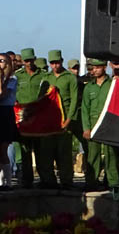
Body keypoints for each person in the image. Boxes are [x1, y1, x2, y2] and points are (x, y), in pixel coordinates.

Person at [15, 47, 54, 188]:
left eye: (31, 60)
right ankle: (26, 180)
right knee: (25, 151)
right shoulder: (18, 76)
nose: (29, 63)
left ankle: (44, 179)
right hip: (23, 118)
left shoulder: (43, 75)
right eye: (26, 60)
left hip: (38, 118)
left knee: (40, 151)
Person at [81, 58, 119, 191]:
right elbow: (85, 109)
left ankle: (113, 182)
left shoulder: (112, 84)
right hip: (93, 125)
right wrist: (86, 128)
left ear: (104, 67)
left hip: (108, 124)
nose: (95, 70)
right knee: (93, 155)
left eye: (98, 67)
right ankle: (91, 182)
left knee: (111, 154)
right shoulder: (88, 87)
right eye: (93, 68)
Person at [48, 49, 79, 189]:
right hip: (50, 121)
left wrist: (69, 120)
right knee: (48, 151)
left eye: (57, 62)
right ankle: (49, 180)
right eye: (52, 63)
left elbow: (74, 100)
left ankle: (66, 180)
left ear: (61, 61)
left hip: (64, 119)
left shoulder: (69, 77)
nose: (55, 66)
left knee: (64, 152)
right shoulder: (47, 78)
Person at [0, 52, 18, 189]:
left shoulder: (12, 79)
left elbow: (1, 94)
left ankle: (7, 181)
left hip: (6, 113)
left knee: (3, 148)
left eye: (2, 61)